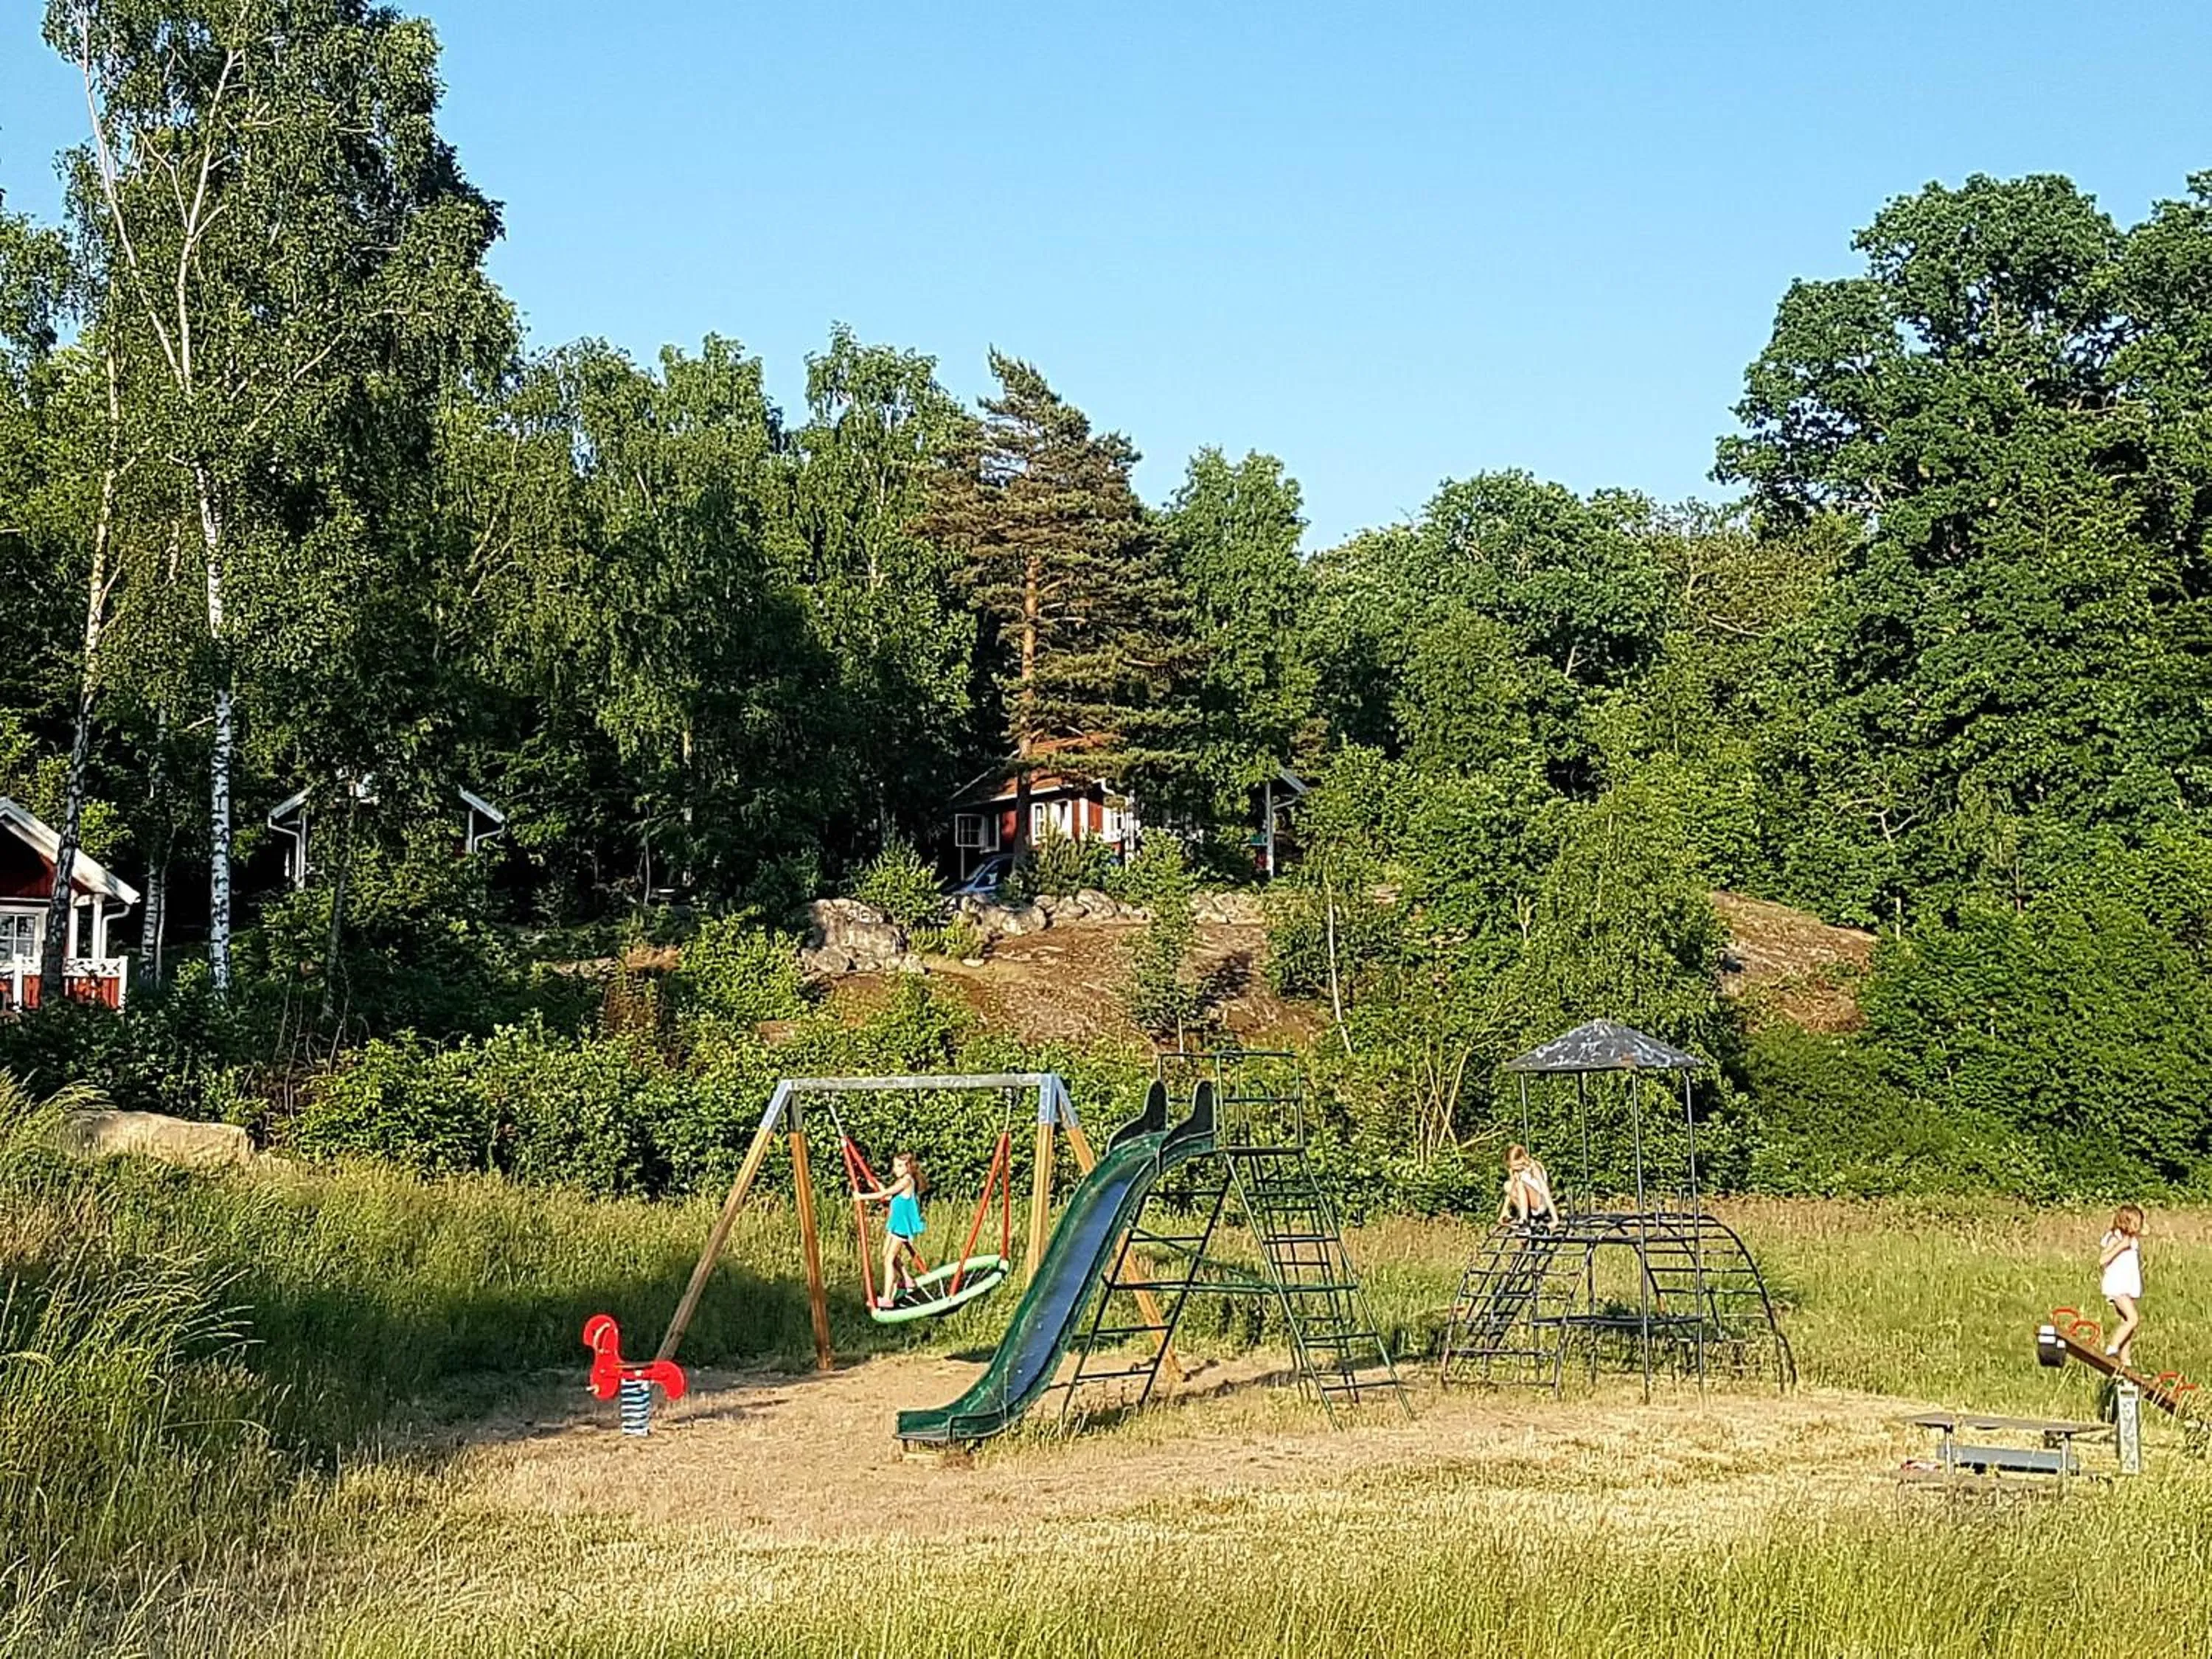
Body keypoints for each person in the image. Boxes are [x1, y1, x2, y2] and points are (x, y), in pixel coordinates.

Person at [860, 1151, 929, 1310]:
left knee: (889, 1260)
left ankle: (886, 1298)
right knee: (886, 1254)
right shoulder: (901, 1181)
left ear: (908, 1167)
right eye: (894, 1165)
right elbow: (889, 1196)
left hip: (902, 1226)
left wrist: (861, 1197)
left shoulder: (907, 1181)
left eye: (899, 1166)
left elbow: (886, 1193)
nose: (895, 1169)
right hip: (895, 1224)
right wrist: (877, 1186)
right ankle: (907, 1279)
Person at [2100, 1204, 2145, 1366]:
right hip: (2117, 1285)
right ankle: (2112, 1347)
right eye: (2135, 1223)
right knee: (2133, 1319)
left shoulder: (2132, 1240)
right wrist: (2120, 1247)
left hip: (2127, 1286)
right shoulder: (2115, 1238)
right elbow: (2102, 1260)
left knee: (2128, 1322)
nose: (2139, 1227)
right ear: (2125, 1223)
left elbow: (2147, 1231)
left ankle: (2125, 1360)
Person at [1498, 1144, 1557, 1229]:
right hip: (1528, 1203)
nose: (1515, 1169)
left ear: (1522, 1159)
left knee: (1519, 1184)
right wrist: (1504, 1211)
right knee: (1508, 1185)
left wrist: (1555, 1218)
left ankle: (1524, 1220)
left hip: (1540, 1203)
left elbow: (1545, 1190)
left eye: (1516, 1165)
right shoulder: (1516, 1170)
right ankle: (1525, 1217)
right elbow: (1510, 1193)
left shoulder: (1534, 1168)